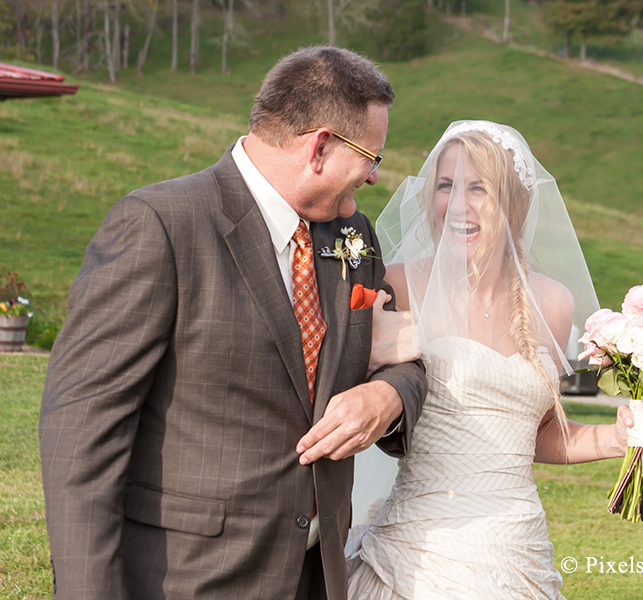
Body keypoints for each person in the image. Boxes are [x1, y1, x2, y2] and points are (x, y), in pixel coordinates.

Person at [39, 47, 427, 600]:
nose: (371, 179)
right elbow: (80, 432)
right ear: (318, 147)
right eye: (371, 159)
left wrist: (387, 396)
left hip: (319, 575)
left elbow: (403, 356)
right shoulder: (161, 225)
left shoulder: (353, 236)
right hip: (192, 577)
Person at [345, 121, 643, 599]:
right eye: (446, 186)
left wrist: (622, 437)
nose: (457, 206)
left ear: (514, 204)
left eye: (479, 189)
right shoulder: (398, 284)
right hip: (420, 551)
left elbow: (541, 435)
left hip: (518, 547)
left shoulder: (552, 302)